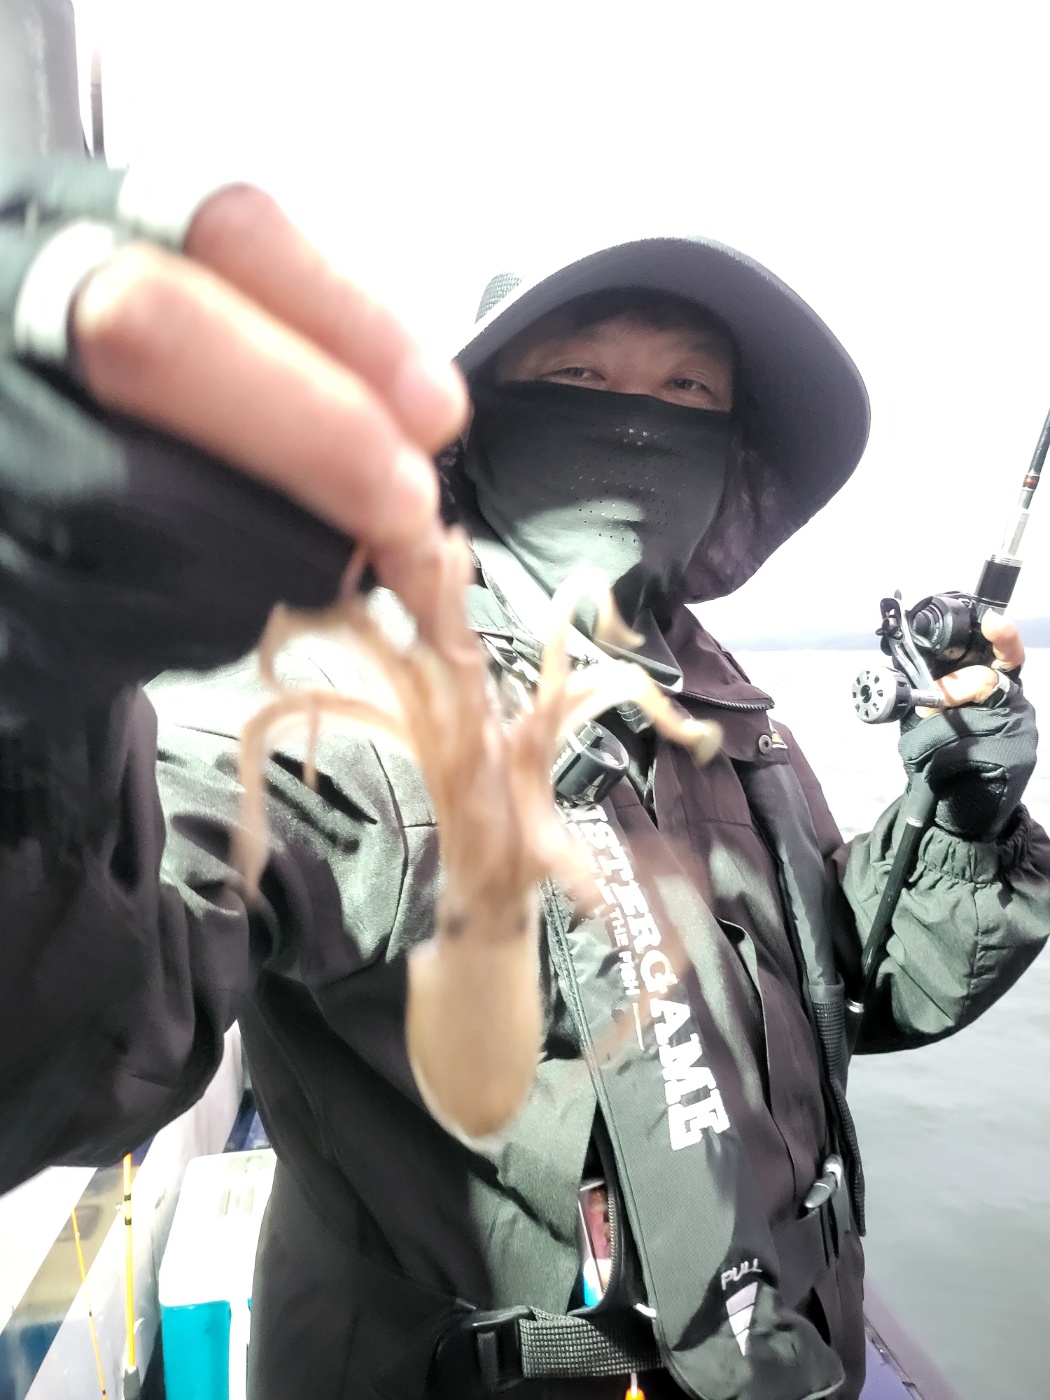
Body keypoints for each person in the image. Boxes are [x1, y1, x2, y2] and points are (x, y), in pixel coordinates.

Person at [1, 166, 1047, 1400]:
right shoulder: (348, 687)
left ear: (732, 444)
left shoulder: (716, 693)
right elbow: (77, 1012)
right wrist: (43, 681)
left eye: (689, 388)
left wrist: (963, 823)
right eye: (582, 375)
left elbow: (850, 987)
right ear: (482, 419)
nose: (640, 418)